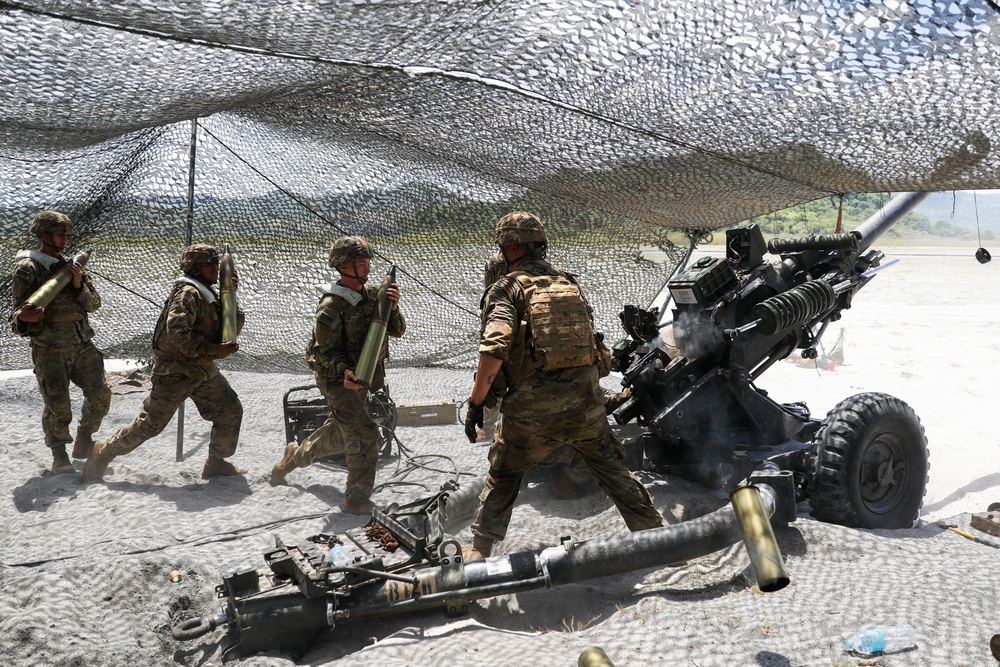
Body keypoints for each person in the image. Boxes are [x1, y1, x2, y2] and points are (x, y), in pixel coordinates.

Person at [463, 211, 664, 560]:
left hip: (531, 413)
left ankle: (479, 549)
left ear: (511, 247)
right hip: (586, 406)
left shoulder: (507, 288)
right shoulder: (568, 284)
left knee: (505, 473)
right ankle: (660, 541)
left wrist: (477, 403)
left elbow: (495, 348)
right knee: (614, 472)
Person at [83, 244, 246, 482]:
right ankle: (102, 453)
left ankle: (216, 462)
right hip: (176, 371)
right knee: (150, 425)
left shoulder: (210, 295)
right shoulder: (188, 294)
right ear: (196, 267)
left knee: (230, 411)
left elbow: (229, 331)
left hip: (202, 368)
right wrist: (214, 350)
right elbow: (177, 335)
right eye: (211, 264)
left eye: (216, 264)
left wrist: (231, 298)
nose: (216, 269)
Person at [269, 236, 405, 515]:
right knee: (365, 434)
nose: (367, 269)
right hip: (336, 379)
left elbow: (398, 330)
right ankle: (356, 500)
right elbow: (325, 353)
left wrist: (394, 305)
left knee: (341, 432)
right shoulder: (331, 305)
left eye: (368, 262)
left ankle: (295, 456)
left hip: (364, 376)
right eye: (360, 264)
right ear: (343, 267)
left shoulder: (372, 295)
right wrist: (344, 371)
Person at [10, 211, 112, 474]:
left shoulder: (72, 266)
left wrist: (78, 285)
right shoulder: (28, 268)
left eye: (67, 234)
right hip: (49, 349)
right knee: (58, 405)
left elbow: (95, 304)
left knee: (101, 395)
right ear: (43, 235)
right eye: (59, 234)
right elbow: (17, 315)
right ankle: (59, 454)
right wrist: (23, 317)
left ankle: (84, 439)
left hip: (82, 344)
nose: (65, 238)